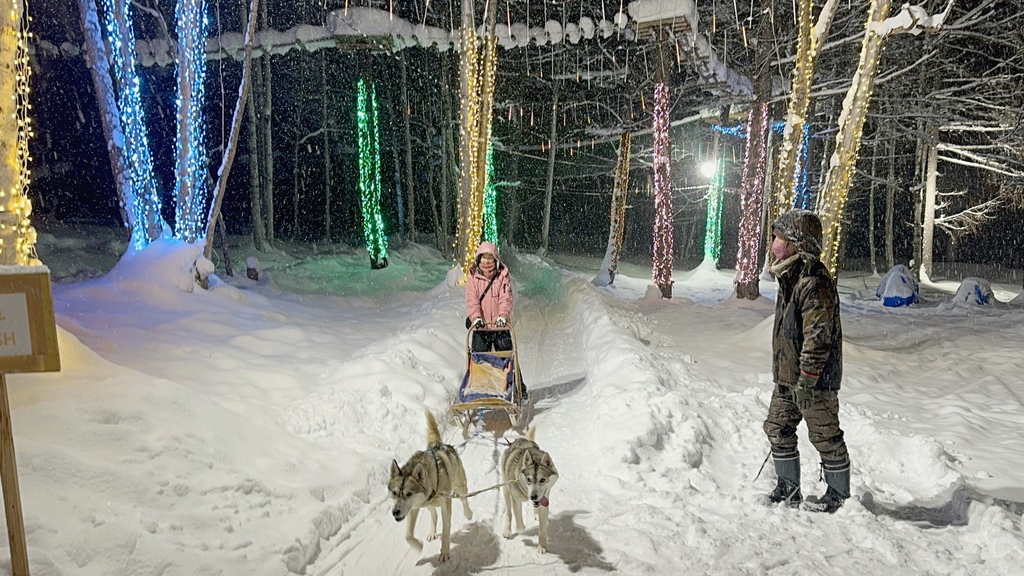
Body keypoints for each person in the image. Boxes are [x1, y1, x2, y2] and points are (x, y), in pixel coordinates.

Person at [763, 209, 849, 513]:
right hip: (788, 377)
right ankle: (788, 488)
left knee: (825, 435)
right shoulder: (790, 276)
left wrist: (808, 379)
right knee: (777, 427)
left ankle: (839, 495)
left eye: (780, 238)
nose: (774, 243)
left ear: (797, 244)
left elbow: (818, 338)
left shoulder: (813, 282)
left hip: (814, 381)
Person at [465, 241, 527, 400]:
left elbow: (506, 298)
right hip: (481, 328)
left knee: (507, 359)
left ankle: (518, 388)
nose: (486, 262)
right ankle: (481, 390)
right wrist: (476, 318)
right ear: (478, 260)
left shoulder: (502, 276)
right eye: (483, 258)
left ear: (495, 260)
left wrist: (502, 316)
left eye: (489, 258)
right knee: (480, 360)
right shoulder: (473, 277)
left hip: (500, 327)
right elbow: (472, 300)